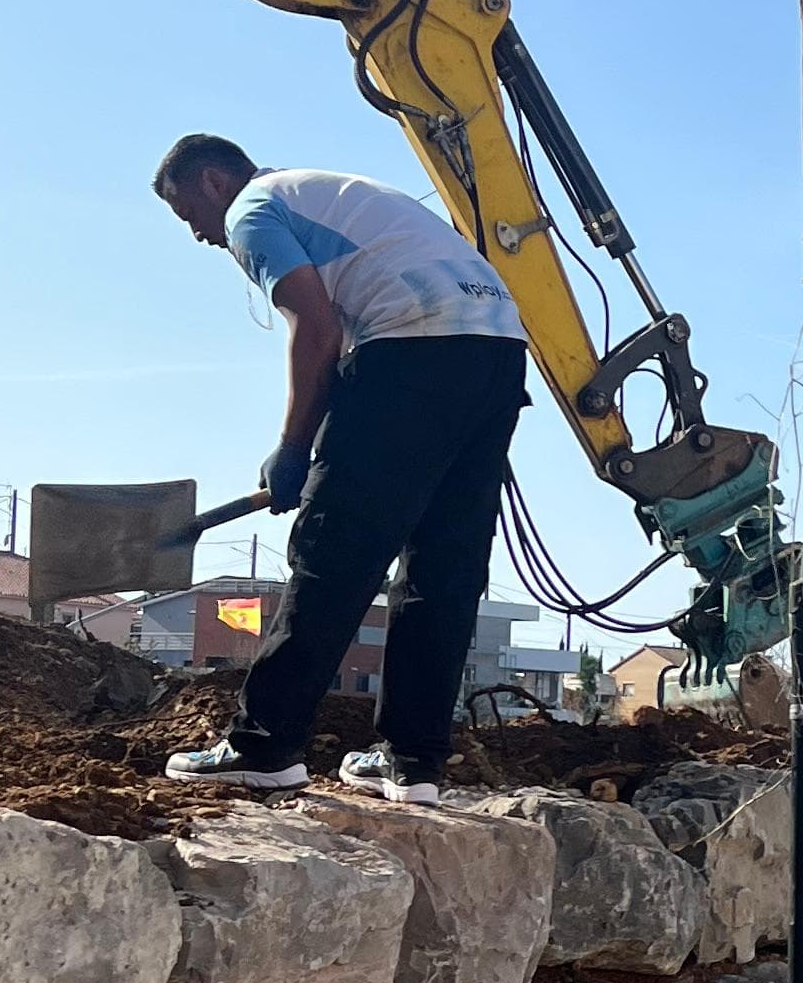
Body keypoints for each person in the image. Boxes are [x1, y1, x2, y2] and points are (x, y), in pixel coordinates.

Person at [149, 137, 529, 805]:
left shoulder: (253, 209)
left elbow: (317, 329)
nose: (201, 236)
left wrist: (295, 447)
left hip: (412, 345)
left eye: (190, 218)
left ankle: (262, 744)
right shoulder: (324, 190)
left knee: (336, 550)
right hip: (496, 352)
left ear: (213, 181)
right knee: (444, 568)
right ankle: (414, 764)